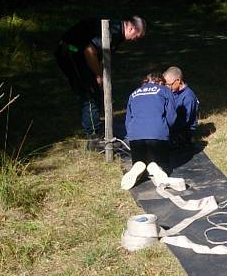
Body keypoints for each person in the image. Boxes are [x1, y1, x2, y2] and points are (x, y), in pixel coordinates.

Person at [55, 16, 147, 147]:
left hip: (82, 54)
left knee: (94, 91)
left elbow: (102, 55)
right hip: (71, 51)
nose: (135, 40)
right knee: (89, 93)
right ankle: (93, 137)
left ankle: (97, 132)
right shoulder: (113, 32)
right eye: (137, 36)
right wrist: (99, 74)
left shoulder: (118, 34)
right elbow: (89, 51)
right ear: (131, 27)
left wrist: (102, 73)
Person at [121, 72, 177, 190]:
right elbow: (171, 116)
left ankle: (139, 165)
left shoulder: (133, 94)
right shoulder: (164, 90)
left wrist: (131, 134)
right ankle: (158, 167)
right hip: (157, 133)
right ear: (161, 82)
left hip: (135, 135)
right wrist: (166, 130)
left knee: (141, 162)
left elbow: (128, 119)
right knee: (163, 165)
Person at [162, 66, 199, 147]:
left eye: (169, 85)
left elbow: (185, 121)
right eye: (165, 85)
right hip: (172, 126)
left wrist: (165, 126)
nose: (167, 88)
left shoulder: (188, 97)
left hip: (183, 131)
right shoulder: (173, 91)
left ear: (178, 81)